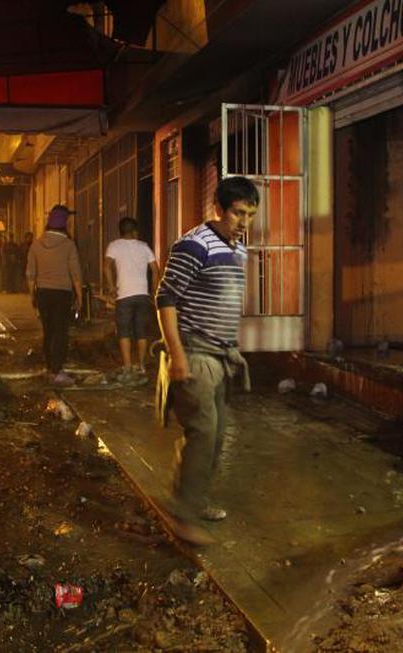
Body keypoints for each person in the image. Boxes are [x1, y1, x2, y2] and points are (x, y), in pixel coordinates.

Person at [154, 176, 258, 544]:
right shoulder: (194, 245)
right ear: (219, 208)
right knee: (202, 433)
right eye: (238, 213)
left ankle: (192, 501)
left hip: (220, 356)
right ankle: (182, 516)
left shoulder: (238, 248)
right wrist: (177, 356)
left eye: (250, 214)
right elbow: (165, 299)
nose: (244, 222)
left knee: (214, 438)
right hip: (195, 354)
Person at [27, 205, 82, 386]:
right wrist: (79, 297)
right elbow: (75, 274)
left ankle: (50, 368)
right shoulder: (68, 245)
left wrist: (32, 295)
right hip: (62, 294)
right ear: (64, 224)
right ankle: (57, 371)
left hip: (43, 293)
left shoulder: (36, 244)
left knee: (48, 331)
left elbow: (30, 274)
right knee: (60, 332)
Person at [105, 216, 160, 384]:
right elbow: (156, 270)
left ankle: (128, 366)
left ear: (121, 231)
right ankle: (141, 366)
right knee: (141, 331)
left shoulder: (114, 246)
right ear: (135, 231)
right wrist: (154, 290)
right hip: (142, 295)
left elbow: (106, 266)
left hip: (124, 296)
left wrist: (112, 287)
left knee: (124, 332)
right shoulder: (143, 247)